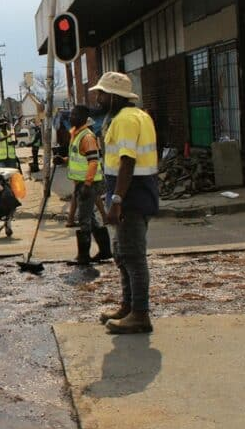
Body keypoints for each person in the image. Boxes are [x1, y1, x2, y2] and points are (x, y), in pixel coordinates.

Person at [89, 72, 159, 334]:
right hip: (137, 192)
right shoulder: (137, 116)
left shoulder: (126, 120)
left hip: (131, 195)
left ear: (114, 97)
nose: (98, 97)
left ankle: (139, 314)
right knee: (123, 254)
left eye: (102, 94)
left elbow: (127, 162)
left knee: (133, 256)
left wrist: (116, 200)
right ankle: (128, 307)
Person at [53, 105, 112, 265]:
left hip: (90, 183)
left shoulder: (87, 137)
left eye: (74, 115)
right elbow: (78, 158)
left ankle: (83, 256)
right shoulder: (76, 135)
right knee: (90, 218)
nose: (71, 117)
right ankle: (105, 251)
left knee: (84, 218)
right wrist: (63, 160)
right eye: (71, 114)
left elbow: (93, 161)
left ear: (82, 118)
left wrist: (87, 184)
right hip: (81, 183)